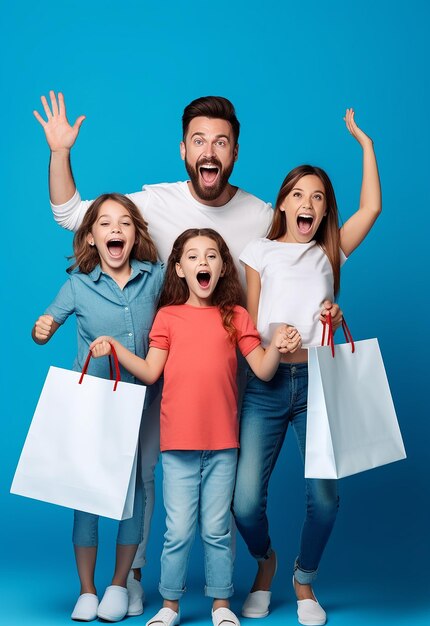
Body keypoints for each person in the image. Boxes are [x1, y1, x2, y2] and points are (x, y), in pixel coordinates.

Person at [33, 92, 341, 606]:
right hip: (162, 365)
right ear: (184, 150)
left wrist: (325, 313)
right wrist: (61, 152)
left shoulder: (263, 216)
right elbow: (72, 215)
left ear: (235, 153)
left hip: (238, 378)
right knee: (149, 471)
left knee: (229, 503)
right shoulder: (154, 203)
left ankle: (231, 587)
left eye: (221, 141)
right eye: (199, 139)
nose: (210, 149)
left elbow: (308, 263)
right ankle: (130, 574)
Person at [89, 228, 302, 626]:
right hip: (177, 447)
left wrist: (277, 344)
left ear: (223, 268)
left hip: (224, 446)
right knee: (178, 532)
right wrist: (117, 349)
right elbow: (152, 372)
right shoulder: (168, 317)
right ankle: (170, 606)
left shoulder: (236, 317)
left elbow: (263, 369)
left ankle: (221, 604)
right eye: (193, 256)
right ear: (179, 268)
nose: (202, 263)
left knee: (217, 530)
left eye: (211, 256)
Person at [232, 109, 381, 626]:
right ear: (283, 203)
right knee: (245, 502)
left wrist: (363, 143)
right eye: (299, 194)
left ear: (324, 211)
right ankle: (265, 562)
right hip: (266, 382)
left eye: (318, 197)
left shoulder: (328, 253)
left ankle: (303, 579)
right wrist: (271, 340)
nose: (308, 204)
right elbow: (246, 326)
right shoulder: (259, 251)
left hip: (317, 382)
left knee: (326, 499)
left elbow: (372, 207)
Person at [32, 193, 164, 622]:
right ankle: (87, 590)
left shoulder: (156, 278)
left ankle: (118, 584)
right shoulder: (77, 284)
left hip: (142, 403)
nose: (115, 231)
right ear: (90, 237)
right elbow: (44, 329)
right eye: (105, 224)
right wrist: (43, 329)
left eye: (124, 223)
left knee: (136, 493)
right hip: (91, 406)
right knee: (87, 495)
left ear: (135, 235)